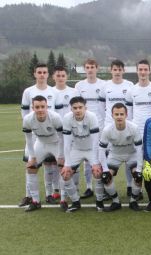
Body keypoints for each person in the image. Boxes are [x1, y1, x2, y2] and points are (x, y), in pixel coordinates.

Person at [22, 95, 81, 212]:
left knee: (64, 171)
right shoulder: (28, 119)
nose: (40, 109)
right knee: (30, 168)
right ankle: (35, 201)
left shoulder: (55, 117)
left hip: (56, 143)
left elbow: (62, 137)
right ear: (32, 107)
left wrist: (61, 156)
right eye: (37, 107)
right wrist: (32, 157)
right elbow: (28, 140)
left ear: (46, 106)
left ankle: (63, 200)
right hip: (41, 143)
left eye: (42, 106)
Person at [19, 63, 60, 207]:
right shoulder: (28, 91)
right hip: (34, 133)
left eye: (44, 72)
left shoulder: (54, 92)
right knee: (31, 163)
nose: (42, 75)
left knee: (51, 164)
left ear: (48, 74)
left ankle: (51, 193)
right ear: (35, 74)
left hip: (50, 133)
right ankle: (28, 196)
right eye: (39, 72)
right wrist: (31, 125)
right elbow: (24, 112)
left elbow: (58, 113)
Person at [125, 59, 151, 200]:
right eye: (140, 69)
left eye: (145, 69)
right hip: (136, 131)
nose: (143, 72)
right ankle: (135, 189)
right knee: (134, 162)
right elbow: (129, 112)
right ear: (137, 71)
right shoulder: (131, 90)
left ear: (149, 71)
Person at [99, 59, 136, 197]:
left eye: (120, 69)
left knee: (129, 157)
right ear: (111, 70)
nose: (117, 72)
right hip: (110, 126)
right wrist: (106, 122)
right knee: (108, 156)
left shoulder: (130, 85)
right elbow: (102, 107)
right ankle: (107, 188)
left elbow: (131, 107)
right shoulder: (105, 86)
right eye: (115, 69)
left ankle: (129, 186)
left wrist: (129, 121)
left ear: (123, 71)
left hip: (126, 126)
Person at [98, 103, 143, 212]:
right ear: (112, 115)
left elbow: (139, 149)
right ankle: (116, 201)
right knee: (105, 177)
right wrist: (105, 170)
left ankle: (133, 201)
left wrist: (139, 169)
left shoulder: (134, 128)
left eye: (121, 114)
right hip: (115, 155)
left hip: (131, 154)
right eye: (116, 114)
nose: (119, 116)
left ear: (126, 115)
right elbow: (101, 150)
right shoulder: (107, 130)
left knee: (138, 176)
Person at [61, 96, 101, 211]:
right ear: (71, 109)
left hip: (91, 150)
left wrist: (95, 163)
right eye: (75, 108)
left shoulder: (92, 117)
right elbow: (67, 143)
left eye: (80, 107)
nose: (78, 110)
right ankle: (75, 201)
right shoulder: (67, 118)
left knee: (97, 173)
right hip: (76, 150)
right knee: (65, 174)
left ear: (85, 108)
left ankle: (99, 201)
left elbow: (95, 141)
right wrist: (67, 164)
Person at [75, 58, 106, 199]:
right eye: (87, 67)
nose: (90, 69)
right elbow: (76, 106)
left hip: (100, 125)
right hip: (84, 126)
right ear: (84, 68)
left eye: (92, 67)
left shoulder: (104, 85)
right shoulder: (79, 85)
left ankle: (102, 186)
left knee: (100, 157)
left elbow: (105, 107)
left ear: (97, 68)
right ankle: (88, 187)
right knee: (87, 158)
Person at [53, 65, 80, 206]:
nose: (61, 78)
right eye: (58, 75)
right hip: (56, 133)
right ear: (53, 77)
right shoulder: (50, 92)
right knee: (57, 163)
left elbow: (78, 109)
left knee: (73, 161)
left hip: (72, 132)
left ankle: (75, 189)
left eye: (63, 75)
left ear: (67, 77)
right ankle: (56, 191)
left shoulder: (74, 91)